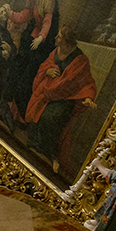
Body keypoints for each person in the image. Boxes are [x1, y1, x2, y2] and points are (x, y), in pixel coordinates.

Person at [25, 27, 97, 170]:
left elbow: (87, 82)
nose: (56, 38)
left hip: (65, 98)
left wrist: (88, 97)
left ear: (67, 41)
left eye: (59, 37)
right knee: (34, 108)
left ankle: (52, 154)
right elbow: (44, 67)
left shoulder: (80, 59)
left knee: (50, 116)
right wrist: (47, 71)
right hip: (48, 93)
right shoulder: (55, 52)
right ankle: (37, 144)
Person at [1, 0, 59, 122]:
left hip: (43, 44)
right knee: (16, 69)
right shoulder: (34, 1)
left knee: (27, 80)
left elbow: (47, 23)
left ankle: (22, 115)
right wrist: (10, 13)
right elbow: (22, 17)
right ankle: (8, 106)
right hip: (34, 38)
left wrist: (41, 37)